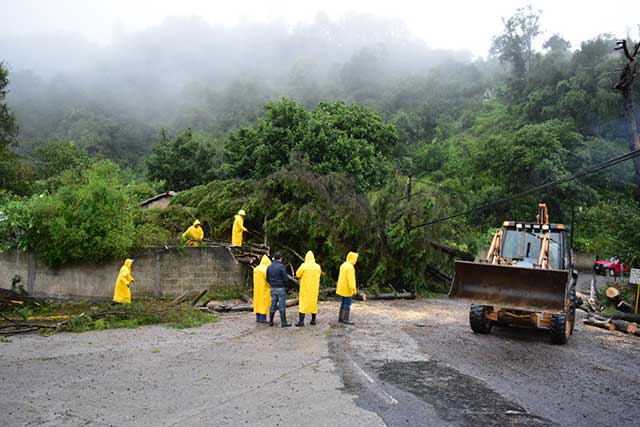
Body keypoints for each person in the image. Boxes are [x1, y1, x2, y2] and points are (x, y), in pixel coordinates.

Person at [295, 251, 321, 327]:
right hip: (314, 288)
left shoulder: (304, 266)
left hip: (305, 288)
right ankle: (313, 320)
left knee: (303, 304)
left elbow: (297, 274)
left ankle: (301, 322)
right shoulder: (317, 266)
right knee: (313, 304)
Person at [266, 252, 291, 327]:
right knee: (282, 305)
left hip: (273, 288)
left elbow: (267, 278)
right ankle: (284, 322)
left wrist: (272, 284)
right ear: (280, 258)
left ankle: (271, 321)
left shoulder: (269, 267)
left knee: (273, 304)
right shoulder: (281, 267)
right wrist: (286, 287)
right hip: (281, 288)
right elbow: (285, 278)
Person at [336, 251, 358, 325]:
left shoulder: (343, 265)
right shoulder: (350, 267)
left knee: (343, 303)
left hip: (341, 288)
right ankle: (346, 319)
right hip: (347, 289)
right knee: (347, 304)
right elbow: (351, 280)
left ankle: (340, 318)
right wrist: (354, 289)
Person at [253, 255, 271, 323]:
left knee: (257, 303)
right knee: (264, 304)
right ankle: (263, 318)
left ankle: (258, 318)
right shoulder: (266, 269)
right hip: (265, 289)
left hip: (257, 289)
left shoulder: (256, 269)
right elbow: (268, 280)